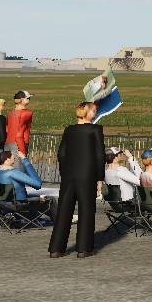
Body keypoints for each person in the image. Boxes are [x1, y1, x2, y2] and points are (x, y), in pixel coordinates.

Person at [49, 100, 106, 258]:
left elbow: (61, 153)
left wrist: (65, 172)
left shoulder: (69, 130)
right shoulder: (96, 129)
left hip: (69, 175)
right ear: (87, 113)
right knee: (86, 210)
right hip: (87, 175)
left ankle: (56, 248)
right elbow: (99, 155)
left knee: (64, 210)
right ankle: (84, 248)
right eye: (93, 111)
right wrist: (100, 178)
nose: (95, 113)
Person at [4, 90, 33, 160]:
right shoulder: (27, 113)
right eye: (28, 98)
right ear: (21, 100)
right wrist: (22, 151)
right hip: (19, 144)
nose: (29, 100)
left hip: (8, 143)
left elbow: (7, 129)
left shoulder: (10, 114)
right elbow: (19, 134)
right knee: (19, 166)